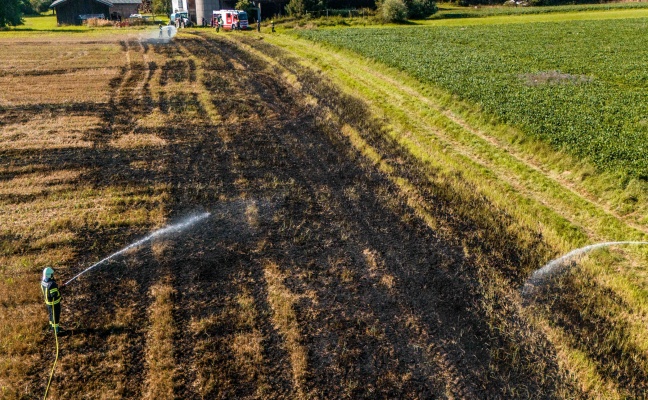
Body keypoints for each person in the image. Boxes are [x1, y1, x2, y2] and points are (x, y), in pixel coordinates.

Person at [41, 267, 65, 335]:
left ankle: (51, 327)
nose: (53, 275)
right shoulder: (52, 284)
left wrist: (59, 288)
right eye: (52, 274)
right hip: (54, 303)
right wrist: (59, 293)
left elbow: (50, 290)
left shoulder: (43, 282)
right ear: (50, 275)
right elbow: (54, 294)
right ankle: (56, 330)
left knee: (51, 315)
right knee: (55, 316)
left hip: (48, 303)